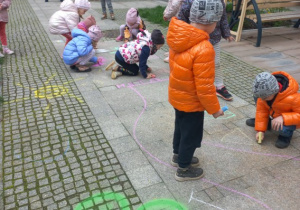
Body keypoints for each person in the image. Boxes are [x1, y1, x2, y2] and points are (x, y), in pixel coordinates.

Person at [167, 0, 224, 181]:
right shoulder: (204, 48)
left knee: (181, 128)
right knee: (191, 134)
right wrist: (214, 109)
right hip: (192, 102)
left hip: (178, 95)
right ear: (211, 22)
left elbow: (174, 68)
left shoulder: (179, 36)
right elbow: (205, 86)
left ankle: (178, 156)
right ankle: (184, 169)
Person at [177, 0, 234, 101]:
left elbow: (223, 17)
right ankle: (194, 86)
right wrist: (182, 34)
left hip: (214, 38)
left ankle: (219, 86)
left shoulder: (219, 1)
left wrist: (227, 34)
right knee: (195, 64)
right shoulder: (189, 1)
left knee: (216, 63)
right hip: (195, 38)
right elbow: (182, 17)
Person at [246, 71, 300, 149]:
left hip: (289, 121)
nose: (262, 99)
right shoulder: (264, 96)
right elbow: (262, 111)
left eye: (265, 97)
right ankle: (267, 123)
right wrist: (260, 130)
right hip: (275, 114)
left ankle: (285, 136)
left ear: (275, 91)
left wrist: (283, 118)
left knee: (282, 128)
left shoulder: (294, 98)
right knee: (259, 101)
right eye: (262, 97)